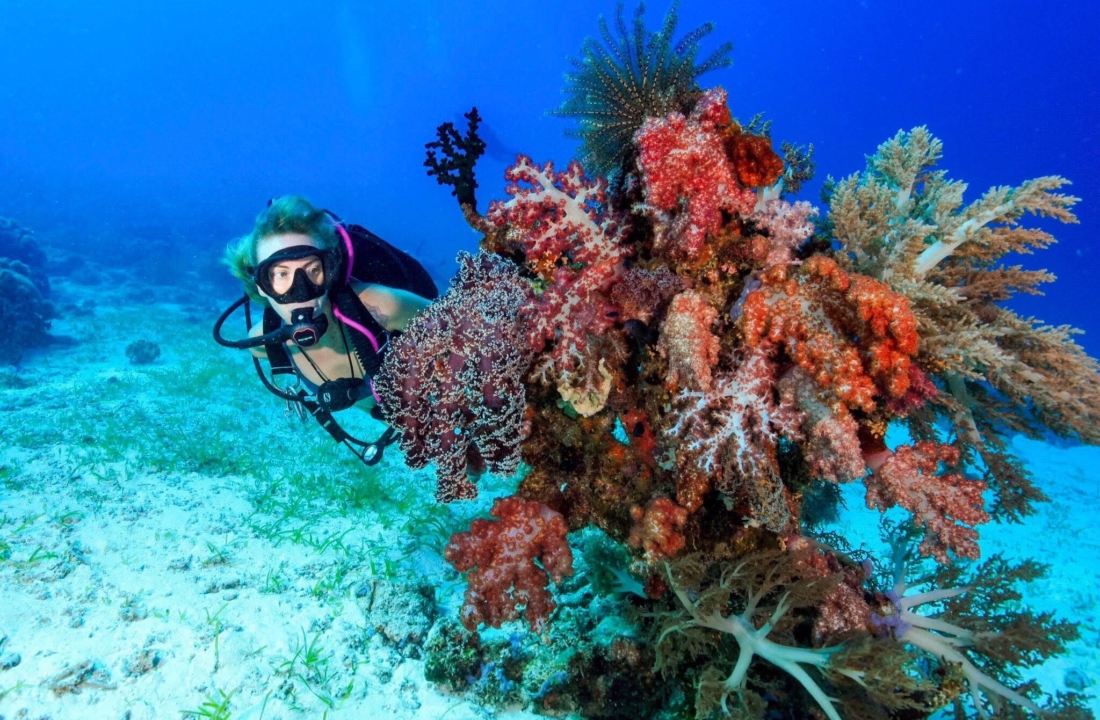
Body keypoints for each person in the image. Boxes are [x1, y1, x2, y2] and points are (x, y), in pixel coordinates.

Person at [214, 195, 437, 463]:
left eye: (313, 269)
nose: (301, 290)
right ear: (261, 284)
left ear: (331, 269)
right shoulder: (265, 345)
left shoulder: (381, 307)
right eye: (281, 274)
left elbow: (466, 328)